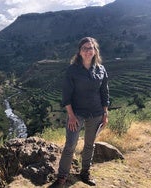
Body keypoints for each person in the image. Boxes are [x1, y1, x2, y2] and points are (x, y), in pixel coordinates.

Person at [54, 37, 110, 187]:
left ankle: (85, 172)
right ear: (79, 51)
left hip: (96, 113)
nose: (88, 51)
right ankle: (62, 177)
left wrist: (105, 113)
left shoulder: (101, 69)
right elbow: (66, 96)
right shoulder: (72, 70)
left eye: (90, 48)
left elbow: (105, 93)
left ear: (95, 51)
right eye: (84, 48)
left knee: (89, 144)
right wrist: (71, 116)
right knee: (70, 145)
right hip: (77, 113)